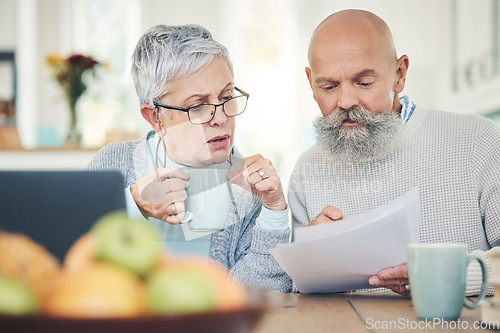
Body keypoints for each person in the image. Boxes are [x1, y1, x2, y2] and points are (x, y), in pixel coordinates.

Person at [288, 9, 500, 297]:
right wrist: (312, 262)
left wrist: (438, 275)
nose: (346, 101)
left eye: (364, 83)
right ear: (311, 84)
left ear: (399, 75)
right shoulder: (307, 169)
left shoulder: (480, 141)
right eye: (328, 86)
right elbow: (299, 292)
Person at [87, 24, 292, 292]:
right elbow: (70, 259)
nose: (221, 118)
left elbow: (260, 297)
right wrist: (132, 204)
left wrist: (274, 212)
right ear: (155, 117)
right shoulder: (114, 165)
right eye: (197, 106)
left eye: (227, 97)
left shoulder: (251, 188)